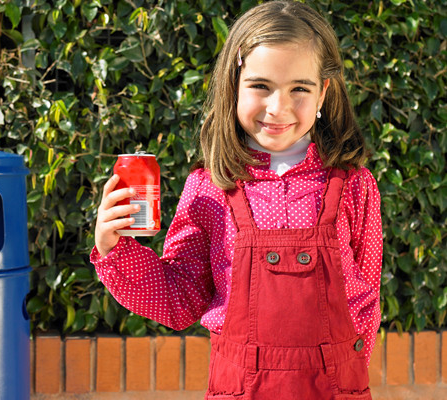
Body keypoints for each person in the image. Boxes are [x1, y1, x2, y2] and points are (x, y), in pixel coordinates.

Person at [90, 1, 382, 399]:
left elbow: (365, 302)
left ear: (323, 93)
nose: (277, 108)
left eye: (299, 88)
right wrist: (114, 249)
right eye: (260, 86)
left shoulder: (355, 186)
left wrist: (344, 376)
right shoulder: (208, 188)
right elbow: (178, 300)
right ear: (234, 84)